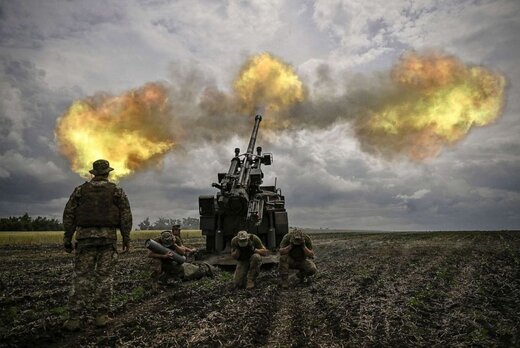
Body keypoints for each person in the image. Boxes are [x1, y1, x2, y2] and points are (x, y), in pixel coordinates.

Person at [62, 159, 132, 331]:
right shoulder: (116, 191)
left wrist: (67, 238)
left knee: (81, 277)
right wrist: (126, 238)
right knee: (104, 278)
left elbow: (69, 215)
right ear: (108, 173)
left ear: (93, 173)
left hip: (85, 240)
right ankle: (101, 316)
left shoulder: (80, 190)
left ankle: (74, 319)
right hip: (107, 240)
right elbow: (125, 216)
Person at [148, 230, 215, 284]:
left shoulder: (175, 239)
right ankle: (156, 277)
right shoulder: (156, 241)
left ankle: (170, 275)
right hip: (161, 258)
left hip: (171, 258)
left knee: (182, 269)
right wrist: (164, 256)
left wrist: (174, 244)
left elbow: (182, 252)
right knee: (157, 264)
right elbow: (149, 254)